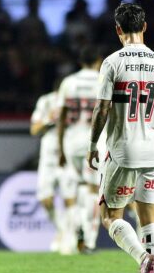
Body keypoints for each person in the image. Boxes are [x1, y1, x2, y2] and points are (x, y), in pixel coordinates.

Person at [88, 3, 154, 273]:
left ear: (117, 29)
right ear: (145, 27)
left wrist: (92, 144)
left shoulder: (112, 62)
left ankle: (142, 258)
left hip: (123, 150)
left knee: (110, 215)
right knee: (149, 218)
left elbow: (102, 108)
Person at [57, 47, 103, 255]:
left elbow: (61, 117)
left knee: (78, 187)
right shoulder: (103, 80)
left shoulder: (68, 82)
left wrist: (60, 148)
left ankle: (77, 232)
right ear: (98, 60)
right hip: (94, 141)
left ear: (80, 62)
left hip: (71, 141)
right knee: (93, 188)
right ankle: (89, 239)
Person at [30, 80, 66, 251]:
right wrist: (48, 119)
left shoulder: (75, 101)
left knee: (74, 198)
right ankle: (62, 231)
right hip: (49, 156)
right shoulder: (46, 101)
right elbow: (34, 129)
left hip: (69, 154)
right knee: (45, 198)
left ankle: (75, 236)